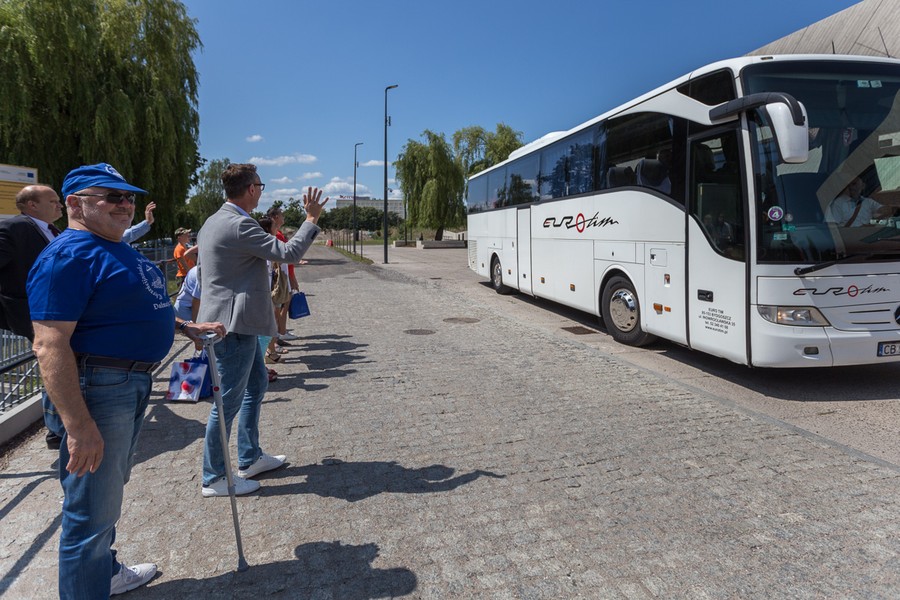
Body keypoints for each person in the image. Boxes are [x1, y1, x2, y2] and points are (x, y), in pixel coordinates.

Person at [28, 162, 226, 598]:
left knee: (105, 495)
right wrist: (78, 427)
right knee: (90, 511)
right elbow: (50, 344)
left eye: (129, 197)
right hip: (100, 386)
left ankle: (106, 572)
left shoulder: (115, 246)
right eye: (112, 197)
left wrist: (184, 327)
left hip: (129, 383)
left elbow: (132, 308)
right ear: (76, 204)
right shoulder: (69, 255)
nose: (125, 205)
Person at [196, 164, 326, 498]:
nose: (261, 190)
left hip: (236, 323)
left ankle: (250, 457)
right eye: (260, 185)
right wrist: (311, 219)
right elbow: (289, 252)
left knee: (255, 385)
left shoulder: (214, 220)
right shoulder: (239, 224)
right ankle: (214, 477)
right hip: (234, 325)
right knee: (227, 403)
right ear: (252, 189)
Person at [0, 185, 64, 449]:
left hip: (61, 311)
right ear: (32, 205)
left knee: (60, 365)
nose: (60, 205)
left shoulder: (53, 230)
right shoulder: (13, 228)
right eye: (53, 200)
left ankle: (59, 426)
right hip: (35, 313)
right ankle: (57, 429)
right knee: (57, 365)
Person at [266, 206, 300, 344]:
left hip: (283, 273)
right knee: (281, 306)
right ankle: (280, 333)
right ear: (275, 217)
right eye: (281, 215)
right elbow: (285, 258)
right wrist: (292, 278)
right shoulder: (277, 236)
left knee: (281, 305)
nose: (284, 217)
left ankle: (280, 332)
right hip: (282, 275)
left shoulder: (278, 234)